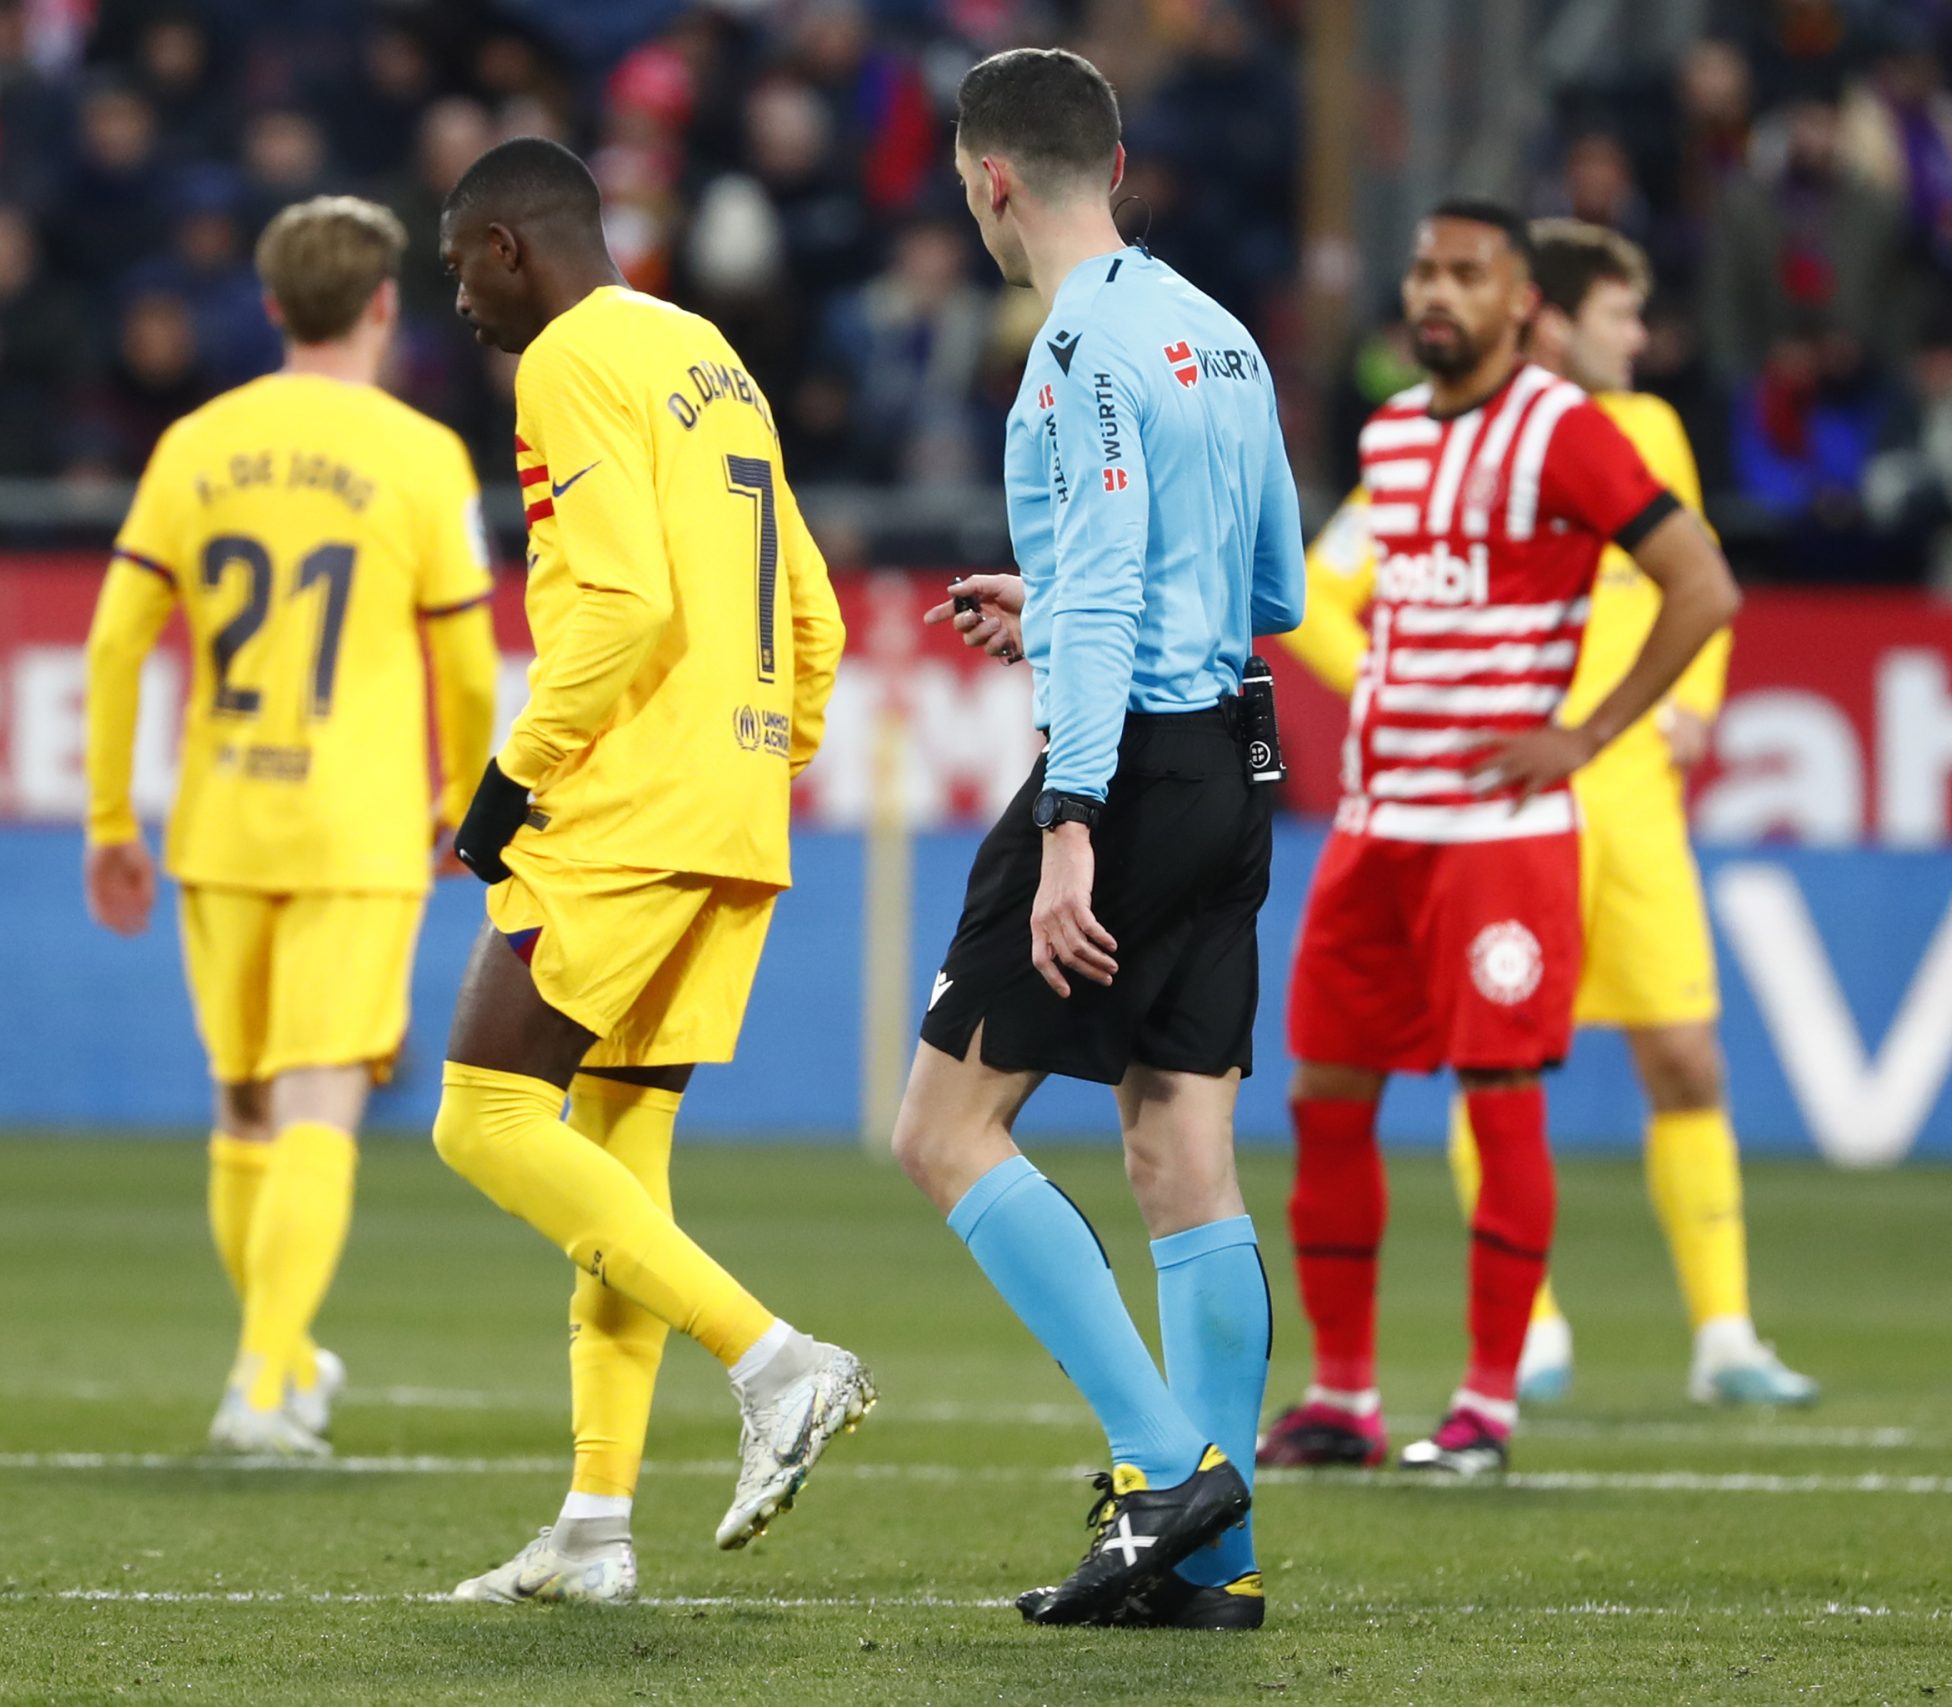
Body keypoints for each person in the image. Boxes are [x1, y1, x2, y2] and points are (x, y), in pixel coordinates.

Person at [890, 47, 1304, 1633]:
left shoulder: (1069, 352)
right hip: (1232, 762)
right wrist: (1049, 597)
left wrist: (1069, 826)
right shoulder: (1224, 337)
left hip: (1122, 779)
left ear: (991, 179)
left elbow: (1120, 594)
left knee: (942, 1129)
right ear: (1113, 164)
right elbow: (1274, 588)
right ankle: (1216, 1566)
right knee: (1179, 1152)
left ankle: (1165, 1472)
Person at [428, 136, 866, 1605]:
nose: (462, 308)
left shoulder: (563, 361)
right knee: (615, 1166)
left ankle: (776, 1359)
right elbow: (811, 611)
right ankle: (597, 1527)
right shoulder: (712, 357)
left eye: (459, 271)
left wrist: (513, 777)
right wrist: (761, 751)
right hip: (728, 803)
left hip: (624, 800)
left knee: (484, 1115)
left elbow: (618, 602)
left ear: (505, 246)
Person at [1280, 221, 1815, 1411]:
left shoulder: (1639, 433)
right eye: (1623, 315)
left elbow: (1700, 577)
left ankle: (1724, 1333)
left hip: (1623, 800)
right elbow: (1316, 589)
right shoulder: (1425, 442)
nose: (1644, 338)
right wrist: (1399, 680)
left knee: (1681, 1057)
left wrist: (1689, 705)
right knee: (1490, 1065)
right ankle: (1526, 1336)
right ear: (1554, 317)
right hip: (1494, 800)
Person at [82, 196, 499, 1459]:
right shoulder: (421, 456)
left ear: (270, 307)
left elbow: (114, 642)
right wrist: (466, 798)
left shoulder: (197, 442)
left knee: (246, 1109)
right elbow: (471, 667)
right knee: (321, 1102)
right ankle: (261, 1387)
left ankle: (278, 1355)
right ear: (383, 307)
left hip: (222, 821)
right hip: (360, 825)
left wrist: (110, 815)